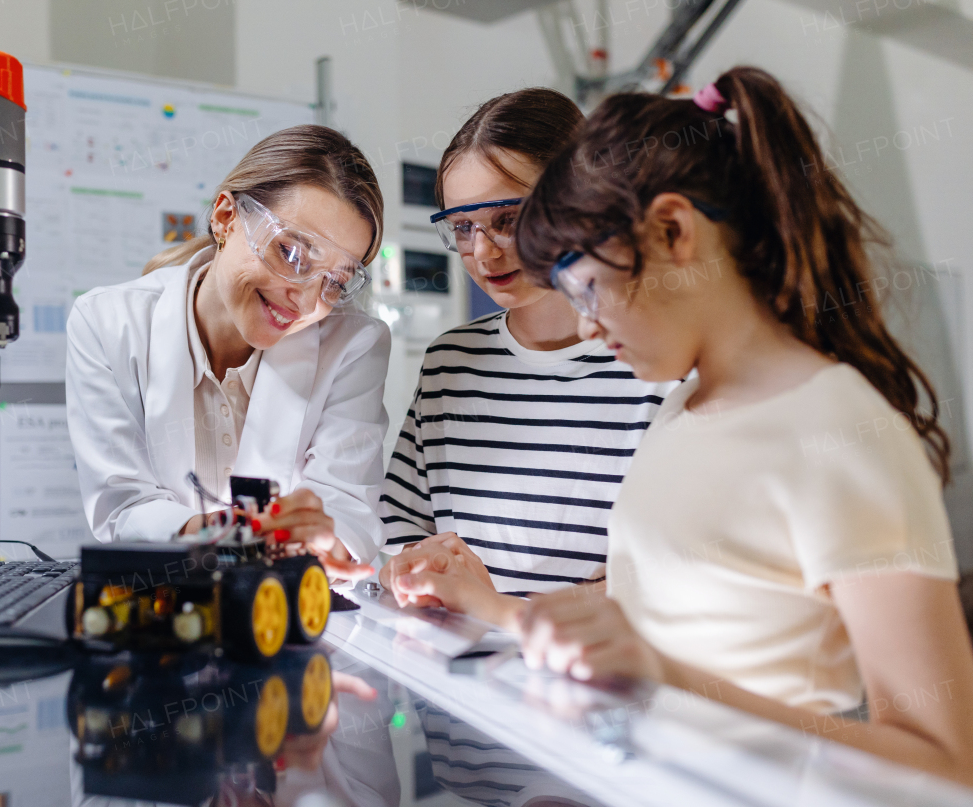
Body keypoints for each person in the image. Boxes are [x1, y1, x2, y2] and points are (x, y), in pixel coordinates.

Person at [403, 67, 973, 784]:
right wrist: (507, 614)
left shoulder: (842, 432)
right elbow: (658, 636)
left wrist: (663, 677)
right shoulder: (682, 409)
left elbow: (947, 765)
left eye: (587, 285)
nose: (585, 320)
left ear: (673, 231)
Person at [377, 88, 676, 623]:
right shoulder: (450, 362)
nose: (484, 252)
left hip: (603, 684)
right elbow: (399, 531)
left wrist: (501, 610)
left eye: (508, 220)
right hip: (470, 682)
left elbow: (669, 578)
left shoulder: (656, 368)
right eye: (463, 228)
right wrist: (410, 568)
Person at [66, 125, 389, 579]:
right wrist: (238, 535)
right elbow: (123, 506)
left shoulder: (354, 343)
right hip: (164, 594)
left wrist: (322, 535)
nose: (303, 299)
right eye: (292, 254)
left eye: (333, 281)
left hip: (283, 601)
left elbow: (346, 506)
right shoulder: (108, 322)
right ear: (225, 218)